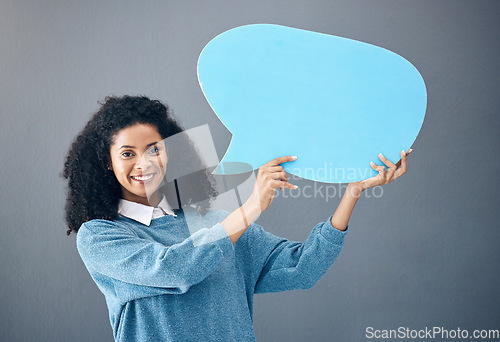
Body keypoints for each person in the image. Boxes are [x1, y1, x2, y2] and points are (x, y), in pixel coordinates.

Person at [62, 95, 411, 341]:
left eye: (155, 148)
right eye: (128, 153)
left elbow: (303, 268)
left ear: (169, 150)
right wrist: (251, 207)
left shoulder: (213, 220)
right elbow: (172, 268)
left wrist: (352, 191)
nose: (145, 163)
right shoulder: (100, 236)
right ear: (108, 163)